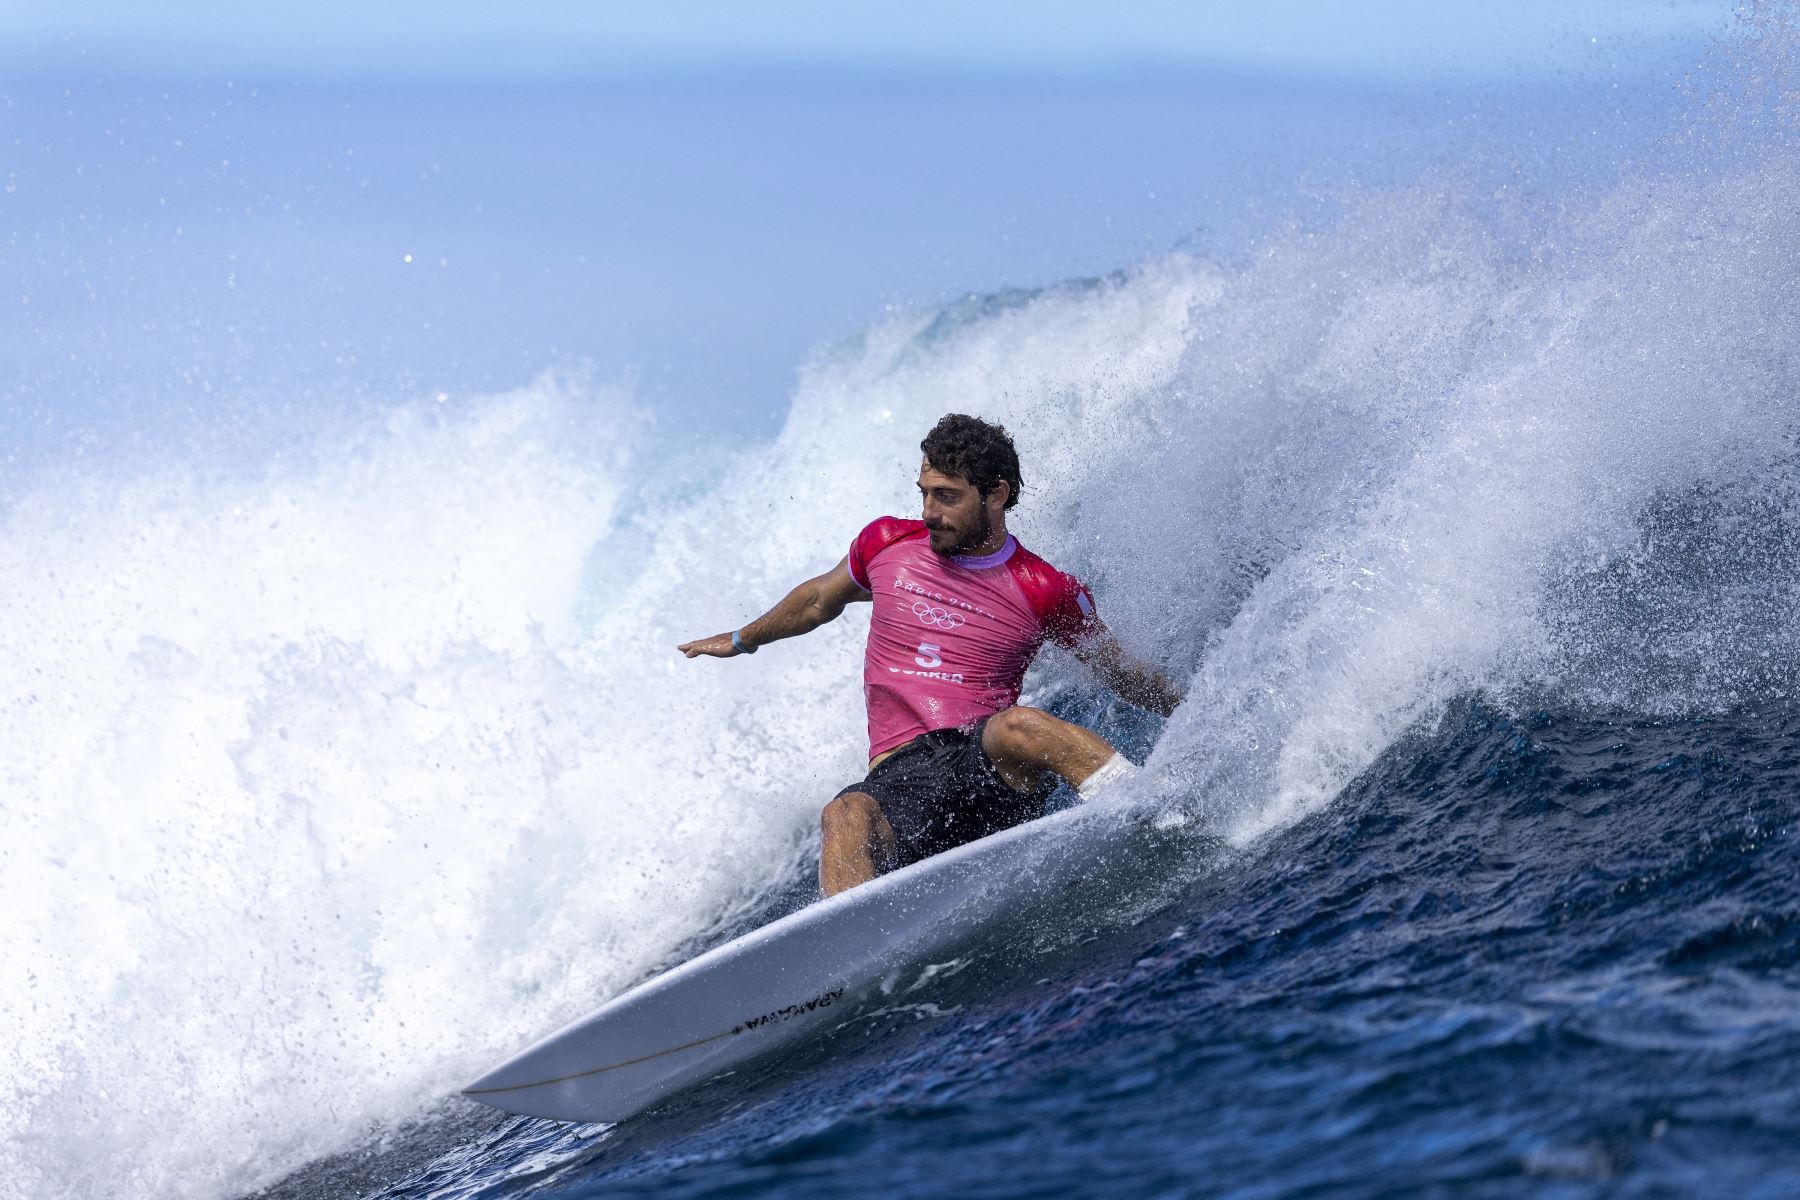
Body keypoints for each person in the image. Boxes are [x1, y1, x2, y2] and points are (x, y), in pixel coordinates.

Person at [679, 414, 1182, 897]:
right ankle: (848, 953)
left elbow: (1121, 672)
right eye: (924, 494)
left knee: (1021, 726)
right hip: (900, 783)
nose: (928, 512)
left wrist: (1192, 708)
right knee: (844, 814)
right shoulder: (886, 543)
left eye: (947, 497)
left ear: (997, 494)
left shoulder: (1042, 588)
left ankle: (1156, 812)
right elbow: (816, 601)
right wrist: (744, 638)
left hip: (985, 769)